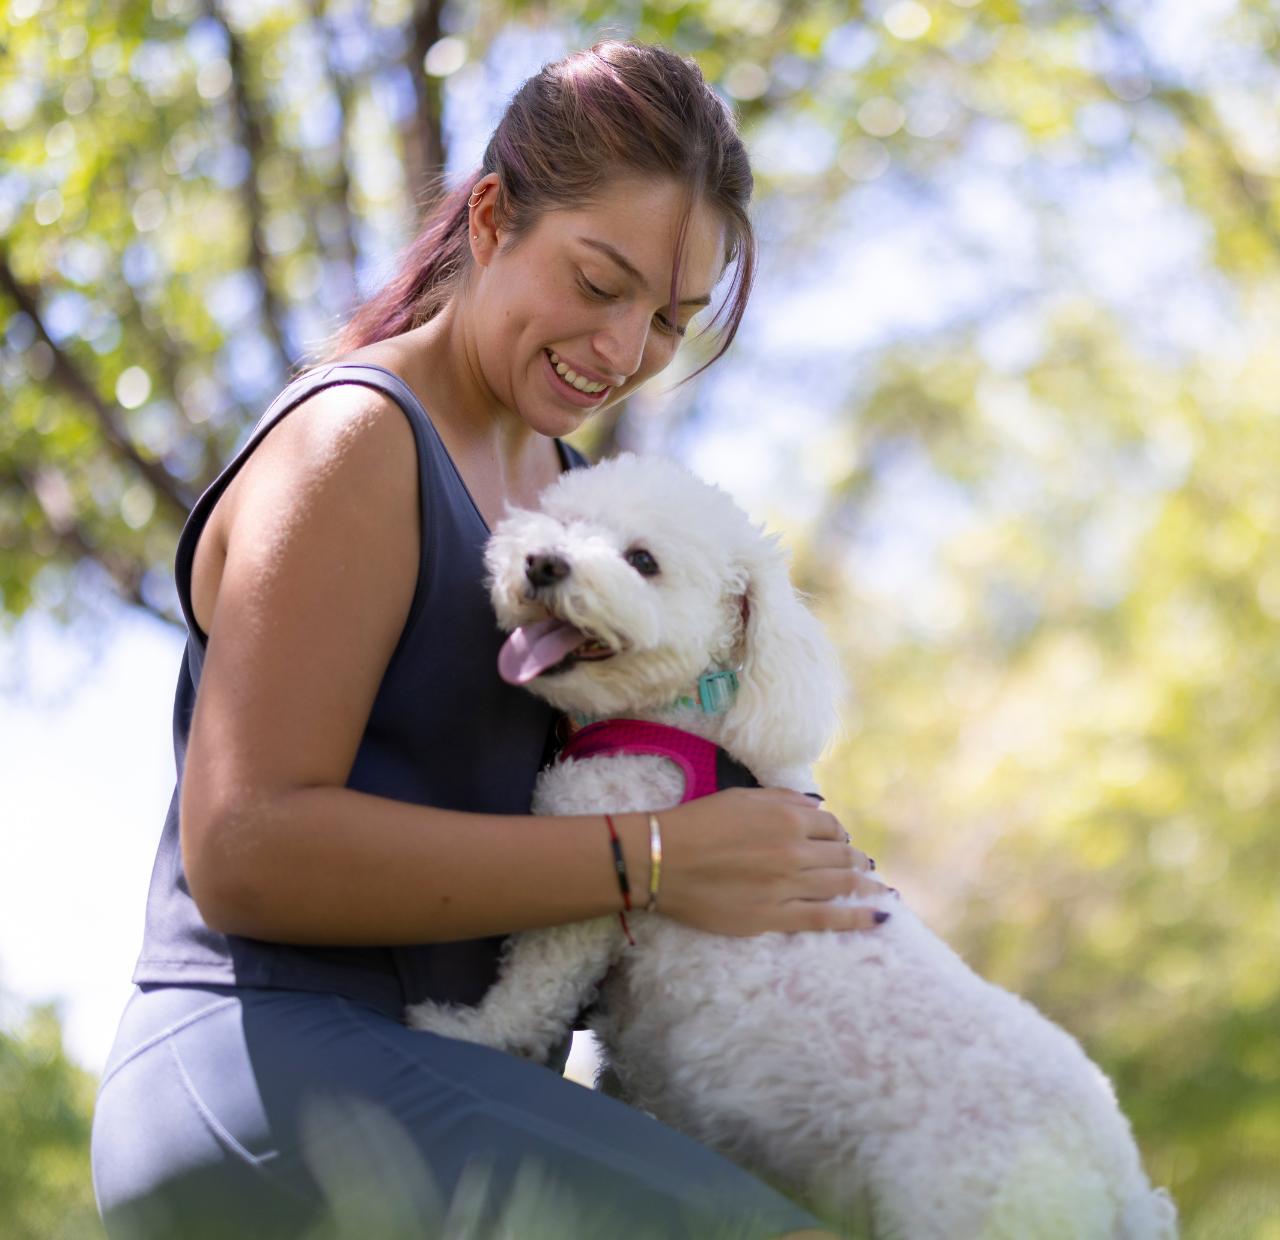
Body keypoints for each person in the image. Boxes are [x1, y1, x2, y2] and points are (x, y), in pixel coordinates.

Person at [88, 40, 887, 1240]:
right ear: (493, 216)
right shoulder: (355, 442)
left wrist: (775, 876)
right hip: (269, 1072)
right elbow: (246, 846)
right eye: (599, 282)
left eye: (669, 319)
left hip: (468, 1084)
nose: (623, 351)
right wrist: (659, 856)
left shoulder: (576, 502)